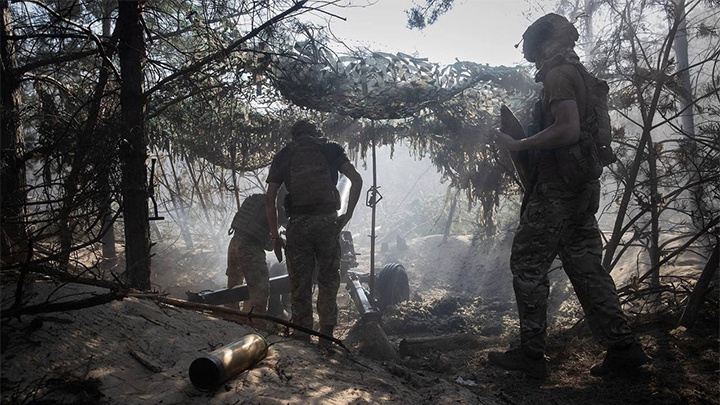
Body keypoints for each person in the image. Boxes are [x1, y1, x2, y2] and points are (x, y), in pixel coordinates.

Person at [492, 13, 648, 378]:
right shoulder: (578, 74)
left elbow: (568, 129)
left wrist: (519, 143)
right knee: (586, 268)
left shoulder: (559, 75)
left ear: (545, 44)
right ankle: (623, 349)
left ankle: (531, 356)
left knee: (527, 265)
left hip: (558, 191)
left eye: (533, 51)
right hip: (579, 189)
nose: (532, 59)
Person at [265, 119, 363, 345]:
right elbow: (356, 179)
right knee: (328, 280)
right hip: (328, 224)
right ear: (316, 133)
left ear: (294, 136)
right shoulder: (331, 149)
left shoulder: (284, 155)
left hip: (298, 225)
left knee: (300, 282)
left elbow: (270, 199)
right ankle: (326, 339)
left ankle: (302, 337)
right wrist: (347, 215)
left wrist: (274, 236)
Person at [226, 190, 288, 329]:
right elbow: (286, 229)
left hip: (235, 242)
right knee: (260, 290)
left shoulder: (256, 200)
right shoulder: (276, 207)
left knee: (233, 286)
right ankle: (257, 327)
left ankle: (230, 321)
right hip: (250, 248)